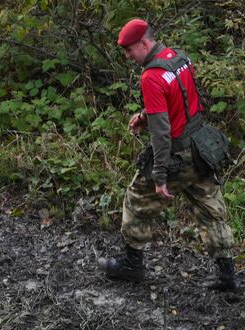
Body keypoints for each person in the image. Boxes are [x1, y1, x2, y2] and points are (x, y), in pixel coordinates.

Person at [100, 18, 238, 292]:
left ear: (144, 43)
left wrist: (159, 175)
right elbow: (182, 100)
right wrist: (144, 115)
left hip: (177, 154)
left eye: (129, 50)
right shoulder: (179, 58)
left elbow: (161, 134)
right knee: (211, 209)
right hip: (201, 148)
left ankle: (132, 264)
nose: (128, 56)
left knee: (137, 199)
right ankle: (227, 276)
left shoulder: (151, 76)